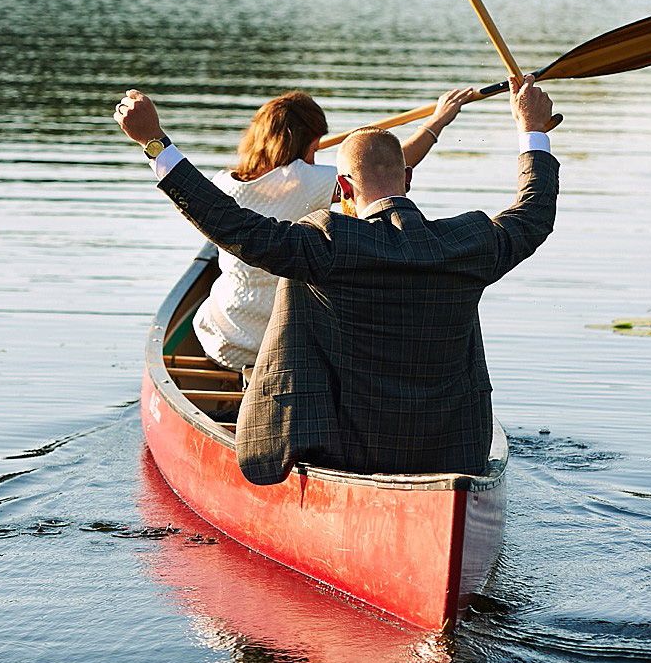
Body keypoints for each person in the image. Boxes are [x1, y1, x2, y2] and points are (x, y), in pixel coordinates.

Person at [114, 75, 557, 485]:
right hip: (452, 453)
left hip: (346, 452)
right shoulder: (470, 242)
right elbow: (534, 212)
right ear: (408, 178)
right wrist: (532, 130)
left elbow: (231, 225)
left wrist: (154, 143)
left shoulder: (323, 244)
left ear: (342, 188)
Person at [191, 87, 476, 373]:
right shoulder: (305, 179)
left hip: (223, 339)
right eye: (314, 149)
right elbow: (386, 168)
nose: (314, 158)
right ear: (302, 143)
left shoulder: (223, 182)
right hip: (279, 343)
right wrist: (438, 121)